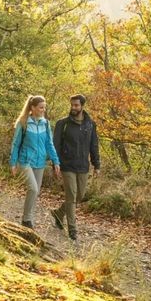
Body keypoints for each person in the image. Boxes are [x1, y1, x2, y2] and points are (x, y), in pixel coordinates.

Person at [50, 93, 100, 240]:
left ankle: (59, 213)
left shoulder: (90, 125)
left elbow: (94, 145)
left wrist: (96, 164)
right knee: (71, 196)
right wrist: (55, 164)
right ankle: (72, 229)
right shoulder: (62, 124)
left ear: (82, 106)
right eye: (72, 105)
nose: (73, 107)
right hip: (67, 165)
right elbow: (56, 145)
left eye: (76, 105)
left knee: (80, 196)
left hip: (83, 166)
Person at [8, 94, 60, 229]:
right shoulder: (23, 122)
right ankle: (26, 219)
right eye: (41, 107)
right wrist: (13, 163)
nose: (43, 110)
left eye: (44, 107)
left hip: (40, 162)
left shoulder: (46, 123)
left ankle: (28, 217)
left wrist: (56, 161)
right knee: (33, 188)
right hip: (25, 161)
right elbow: (16, 143)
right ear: (32, 108)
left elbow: (49, 144)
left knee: (35, 192)